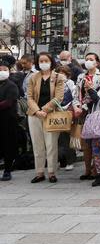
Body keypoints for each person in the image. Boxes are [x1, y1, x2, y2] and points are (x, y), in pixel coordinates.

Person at [26, 52, 65, 184]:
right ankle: (39, 172)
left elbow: (59, 97)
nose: (43, 63)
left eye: (46, 61)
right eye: (41, 61)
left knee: (51, 145)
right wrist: (37, 111)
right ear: (37, 63)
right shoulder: (33, 77)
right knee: (37, 145)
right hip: (34, 115)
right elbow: (29, 97)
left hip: (51, 114)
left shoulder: (58, 77)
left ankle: (52, 172)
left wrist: (45, 109)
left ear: (51, 62)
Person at [76, 53, 100, 180]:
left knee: (96, 141)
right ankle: (87, 169)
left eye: (91, 59)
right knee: (85, 143)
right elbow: (77, 94)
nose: (88, 62)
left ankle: (96, 168)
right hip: (83, 112)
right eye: (86, 59)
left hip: (96, 110)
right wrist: (77, 106)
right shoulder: (81, 76)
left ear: (97, 62)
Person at [55, 65, 77, 171]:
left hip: (67, 111)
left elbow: (74, 97)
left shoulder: (71, 84)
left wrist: (69, 108)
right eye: (59, 73)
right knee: (58, 138)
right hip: (56, 112)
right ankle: (61, 160)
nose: (61, 75)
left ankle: (70, 160)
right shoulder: (55, 84)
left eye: (63, 73)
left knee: (67, 137)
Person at [0, 58, 19, 181]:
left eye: (4, 70)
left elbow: (9, 102)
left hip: (8, 119)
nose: (2, 72)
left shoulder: (12, 85)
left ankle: (7, 170)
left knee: (8, 144)